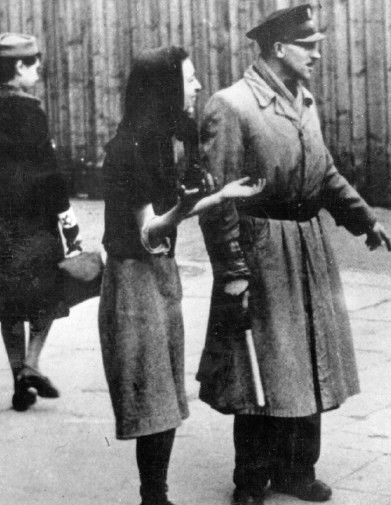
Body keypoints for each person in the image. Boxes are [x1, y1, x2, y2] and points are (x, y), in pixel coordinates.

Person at [195, 4, 391, 505]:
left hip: (309, 246)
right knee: (262, 364)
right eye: (310, 46)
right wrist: (233, 273)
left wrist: (363, 220)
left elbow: (324, 174)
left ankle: (297, 470)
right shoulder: (231, 104)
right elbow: (217, 203)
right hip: (262, 252)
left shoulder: (305, 100)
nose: (318, 55)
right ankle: (251, 478)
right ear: (279, 48)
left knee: (310, 358)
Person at [98, 46, 264, 505]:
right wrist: (192, 204)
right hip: (134, 281)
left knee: (165, 396)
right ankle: (154, 498)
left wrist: (222, 194)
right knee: (153, 396)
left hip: (158, 273)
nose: (195, 87)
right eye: (188, 79)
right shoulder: (128, 148)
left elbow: (165, 221)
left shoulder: (154, 143)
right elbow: (149, 227)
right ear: (164, 88)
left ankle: (156, 495)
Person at [0, 33, 81, 412]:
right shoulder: (31, 111)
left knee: (9, 303)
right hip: (36, 219)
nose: (38, 72)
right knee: (47, 293)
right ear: (17, 68)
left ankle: (19, 378)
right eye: (34, 66)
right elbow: (49, 172)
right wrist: (68, 223)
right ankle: (31, 363)